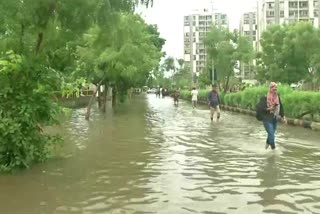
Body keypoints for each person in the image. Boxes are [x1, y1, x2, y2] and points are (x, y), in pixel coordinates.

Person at [258, 82, 287, 150]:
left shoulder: (277, 98)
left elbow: (281, 107)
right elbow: (260, 108)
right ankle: (273, 149)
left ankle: (266, 147)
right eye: (274, 89)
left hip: (274, 118)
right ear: (270, 89)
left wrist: (283, 117)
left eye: (276, 89)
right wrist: (269, 109)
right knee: (271, 134)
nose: (275, 90)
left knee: (271, 134)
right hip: (266, 119)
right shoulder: (264, 98)